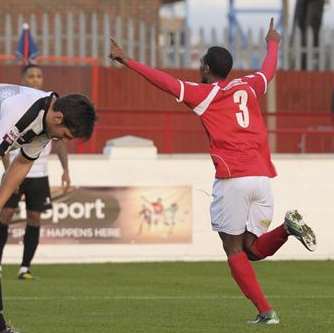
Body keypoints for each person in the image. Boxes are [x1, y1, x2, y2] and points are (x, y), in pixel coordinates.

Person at [109, 18, 316, 325]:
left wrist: (127, 60)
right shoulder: (249, 85)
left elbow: (164, 82)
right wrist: (273, 42)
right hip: (262, 178)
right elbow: (269, 69)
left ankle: (266, 312)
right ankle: (287, 228)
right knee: (253, 250)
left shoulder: (204, 94)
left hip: (233, 180)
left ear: (205, 67)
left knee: (232, 248)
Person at [0, 83, 96, 333]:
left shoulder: (46, 124)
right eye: (65, 135)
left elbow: (21, 164)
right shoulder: (20, 112)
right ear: (59, 117)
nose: (61, 140)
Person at [0, 64, 70, 280]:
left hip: (38, 174)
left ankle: (25, 267)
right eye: (31, 75)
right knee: (6, 214)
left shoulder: (51, 114)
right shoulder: (17, 109)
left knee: (34, 217)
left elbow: (58, 144)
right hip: (13, 172)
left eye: (39, 75)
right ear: (22, 79)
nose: (35, 79)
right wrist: (6, 171)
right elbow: (4, 145)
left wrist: (66, 170)